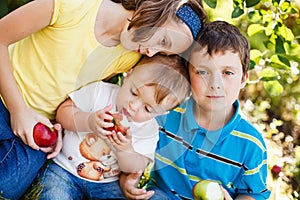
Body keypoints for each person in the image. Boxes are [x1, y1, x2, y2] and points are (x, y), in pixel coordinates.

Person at [0, 0, 207, 198]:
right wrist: (19, 110)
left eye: (162, 50)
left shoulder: (129, 57)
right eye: (163, 41)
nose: (151, 52)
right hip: (6, 95)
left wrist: (57, 126)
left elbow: (73, 89)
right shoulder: (73, 5)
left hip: (38, 123)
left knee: (9, 184)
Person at [120, 21, 271, 200]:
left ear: (244, 79)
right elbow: (133, 156)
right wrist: (126, 181)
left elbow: (253, 194)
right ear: (188, 76)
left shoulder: (251, 144)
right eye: (202, 72)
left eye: (227, 73)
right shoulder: (163, 116)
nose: (215, 84)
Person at [32, 54, 191, 199]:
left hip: (107, 185)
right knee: (54, 194)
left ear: (162, 113)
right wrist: (88, 121)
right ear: (128, 75)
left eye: (148, 109)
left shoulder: (148, 131)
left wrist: (125, 149)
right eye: (134, 92)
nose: (133, 106)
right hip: (63, 170)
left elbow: (135, 168)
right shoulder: (100, 92)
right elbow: (63, 112)